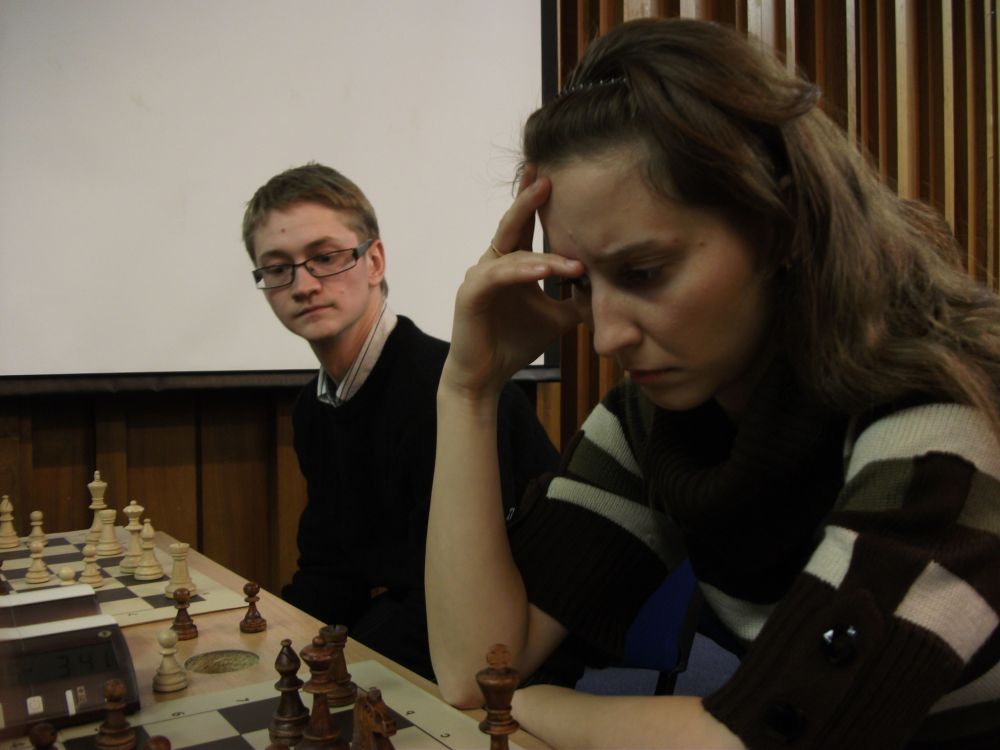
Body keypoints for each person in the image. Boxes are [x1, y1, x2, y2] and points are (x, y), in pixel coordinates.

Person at [425, 18, 1000, 749]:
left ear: (780, 225)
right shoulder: (652, 421)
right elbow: (476, 670)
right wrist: (469, 392)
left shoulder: (935, 421)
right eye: (581, 284)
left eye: (643, 272)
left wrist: (524, 709)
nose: (606, 337)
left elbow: (767, 740)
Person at [242, 163, 559, 681]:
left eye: (325, 257)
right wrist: (275, 648)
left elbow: (459, 597)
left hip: (509, 651)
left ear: (374, 262)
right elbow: (331, 569)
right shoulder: (314, 407)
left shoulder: (446, 388)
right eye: (277, 268)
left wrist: (333, 671)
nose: (303, 285)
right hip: (417, 631)